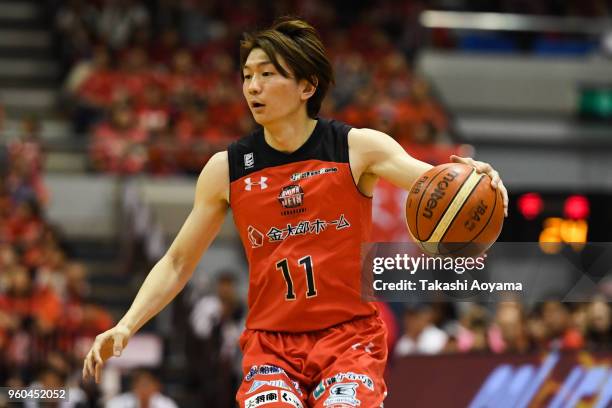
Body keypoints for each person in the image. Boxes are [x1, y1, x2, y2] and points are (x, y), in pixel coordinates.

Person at [83, 17, 508, 407]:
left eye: (267, 74)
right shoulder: (226, 169)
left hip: (348, 339)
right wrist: (127, 324)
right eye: (247, 76)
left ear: (308, 86)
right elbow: (177, 262)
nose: (253, 87)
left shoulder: (357, 148)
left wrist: (479, 181)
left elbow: (438, 187)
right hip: (271, 346)